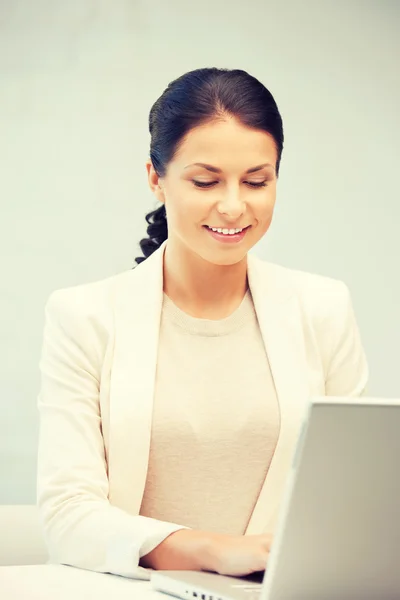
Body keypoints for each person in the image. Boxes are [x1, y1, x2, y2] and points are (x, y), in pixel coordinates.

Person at [36, 67, 368, 581]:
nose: (234, 206)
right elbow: (68, 515)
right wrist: (214, 551)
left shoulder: (322, 308)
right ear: (156, 178)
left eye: (257, 181)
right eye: (205, 180)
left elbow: (351, 495)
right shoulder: (85, 317)